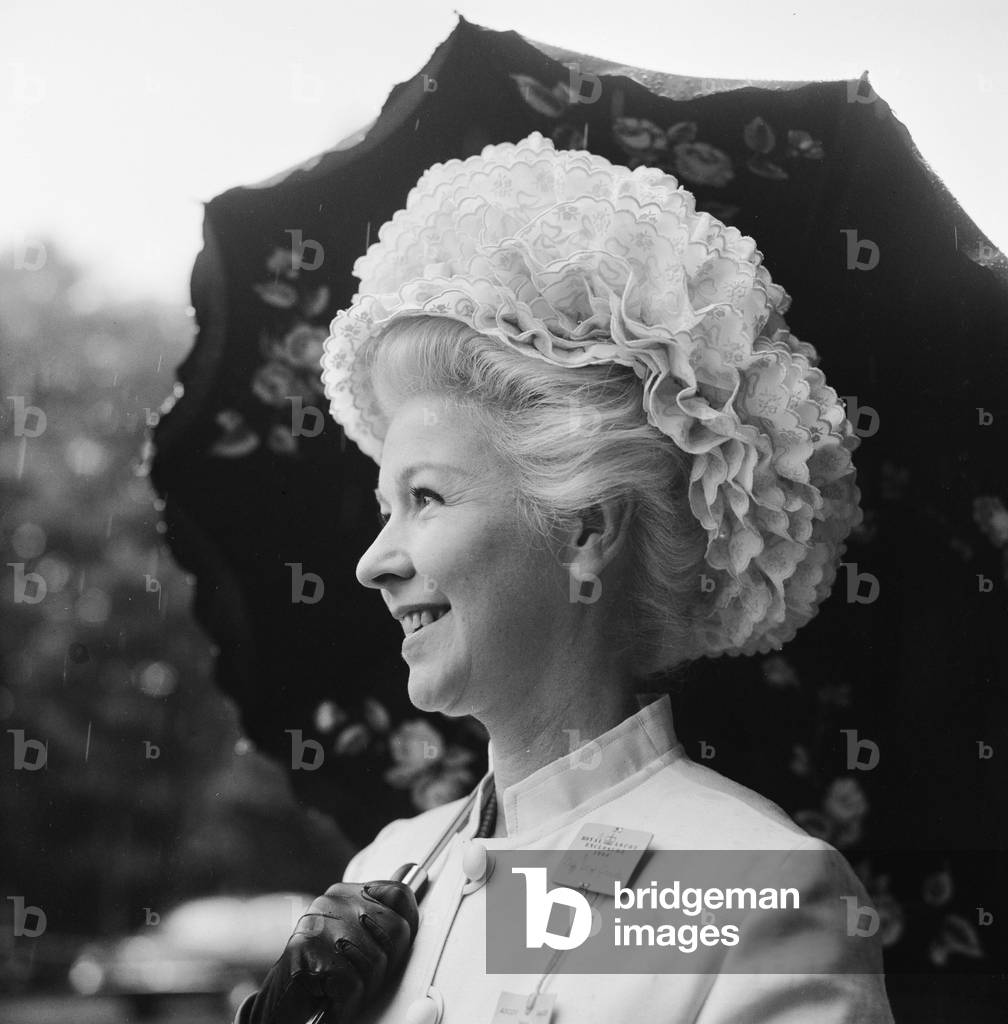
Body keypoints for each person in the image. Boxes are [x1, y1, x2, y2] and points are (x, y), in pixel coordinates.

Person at [235, 131, 895, 1023]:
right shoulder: (385, 870)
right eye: (385, 506)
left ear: (586, 530)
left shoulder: (744, 890)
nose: (373, 562)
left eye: (427, 498)